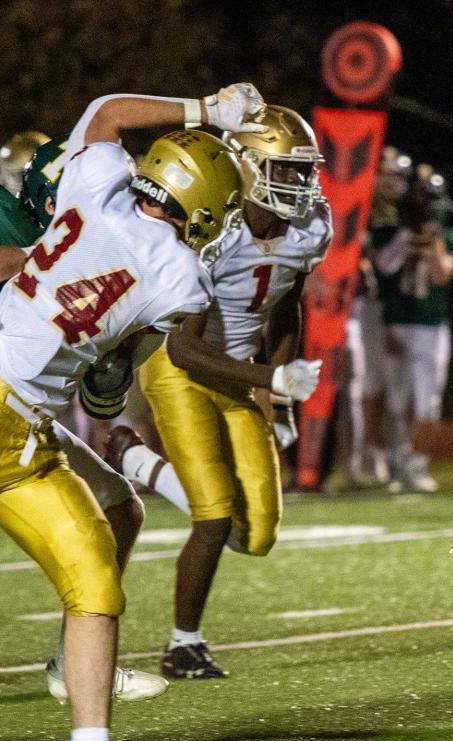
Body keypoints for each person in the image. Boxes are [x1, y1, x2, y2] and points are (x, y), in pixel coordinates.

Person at [0, 83, 260, 741]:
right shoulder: (179, 270)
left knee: (96, 575)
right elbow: (188, 351)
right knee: (95, 580)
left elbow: (105, 111)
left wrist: (205, 110)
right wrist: (267, 376)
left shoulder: (93, 185)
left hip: (21, 432)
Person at [103, 105, 331, 680]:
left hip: (239, 373)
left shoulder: (306, 228)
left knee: (256, 535)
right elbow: (183, 348)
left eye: (305, 172)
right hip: (179, 371)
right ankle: (184, 645)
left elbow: (286, 311)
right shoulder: (212, 226)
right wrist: (272, 382)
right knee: (213, 515)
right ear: (248, 169)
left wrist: (275, 397)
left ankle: (137, 463)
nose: (301, 185)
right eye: (287, 171)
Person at [0, 137, 169, 707]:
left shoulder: (111, 265)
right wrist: (46, 257)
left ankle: (74, 664)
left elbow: (100, 400)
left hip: (13, 419)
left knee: (118, 504)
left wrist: (125, 349)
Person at [375, 164, 453, 492]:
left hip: (431, 326)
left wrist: (432, 241)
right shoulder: (392, 232)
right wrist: (407, 235)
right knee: (395, 401)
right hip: (396, 322)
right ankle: (394, 461)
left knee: (428, 402)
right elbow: (385, 266)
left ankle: (417, 464)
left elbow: (442, 273)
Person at [344, 146, 411, 486]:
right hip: (369, 308)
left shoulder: (408, 211)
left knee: (396, 389)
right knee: (369, 385)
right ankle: (371, 452)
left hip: (403, 311)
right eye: (387, 173)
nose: (393, 182)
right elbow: (376, 263)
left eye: (398, 175)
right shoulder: (363, 210)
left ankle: (398, 454)